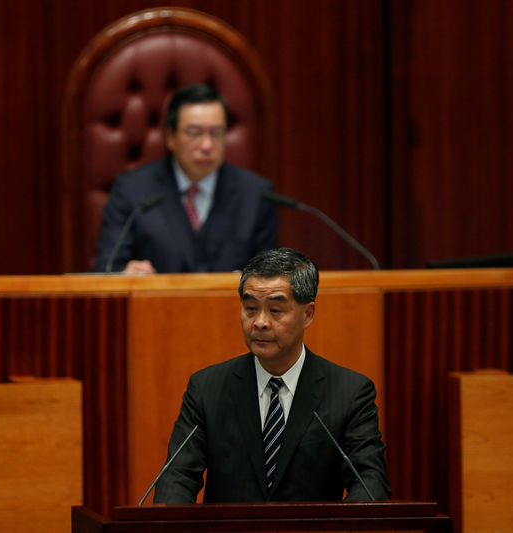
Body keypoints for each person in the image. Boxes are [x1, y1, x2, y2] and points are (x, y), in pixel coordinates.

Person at [153, 248, 391, 503]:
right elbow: (176, 478)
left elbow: (370, 481)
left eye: (275, 311)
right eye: (251, 308)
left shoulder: (349, 392)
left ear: (308, 314)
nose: (260, 322)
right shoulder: (207, 389)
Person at [92, 84, 278, 274]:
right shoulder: (132, 191)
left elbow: (271, 278)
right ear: (170, 137)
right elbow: (105, 270)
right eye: (194, 133)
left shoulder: (255, 194)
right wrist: (124, 274)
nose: (206, 145)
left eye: (216, 133)